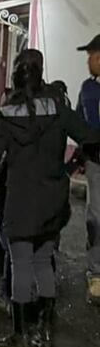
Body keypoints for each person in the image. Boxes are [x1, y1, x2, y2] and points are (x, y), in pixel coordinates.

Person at [0, 49, 100, 347]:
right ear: (41, 72)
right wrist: (71, 166)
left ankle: (19, 338)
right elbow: (90, 138)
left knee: (20, 265)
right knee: (43, 262)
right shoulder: (58, 108)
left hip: (20, 202)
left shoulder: (9, 115)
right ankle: (45, 335)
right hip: (52, 201)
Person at [76, 34, 100, 303]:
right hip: (96, 162)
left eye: (91, 56)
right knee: (96, 216)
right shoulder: (88, 89)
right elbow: (79, 122)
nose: (88, 62)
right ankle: (97, 273)